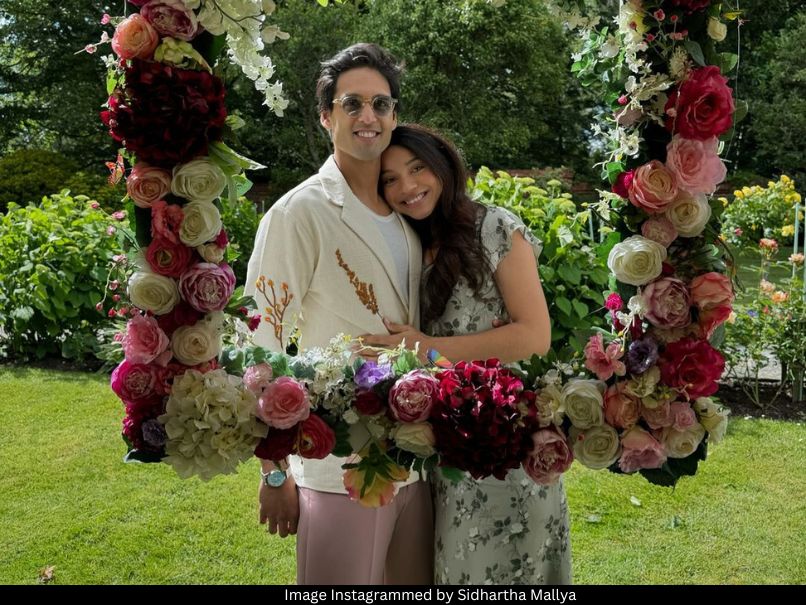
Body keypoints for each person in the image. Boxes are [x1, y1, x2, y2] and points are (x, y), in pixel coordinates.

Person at [244, 45, 433, 585]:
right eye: (352, 104)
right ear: (326, 117)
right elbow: (263, 341)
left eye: (381, 104)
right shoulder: (299, 212)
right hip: (339, 465)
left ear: (395, 116)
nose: (368, 117)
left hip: (416, 457)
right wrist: (275, 471)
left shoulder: (407, 209)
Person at [361, 124, 571, 585]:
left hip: (506, 438)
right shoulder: (408, 245)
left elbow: (534, 335)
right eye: (389, 180)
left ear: (443, 165)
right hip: (446, 447)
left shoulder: (493, 226)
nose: (407, 187)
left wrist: (423, 347)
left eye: (417, 170)